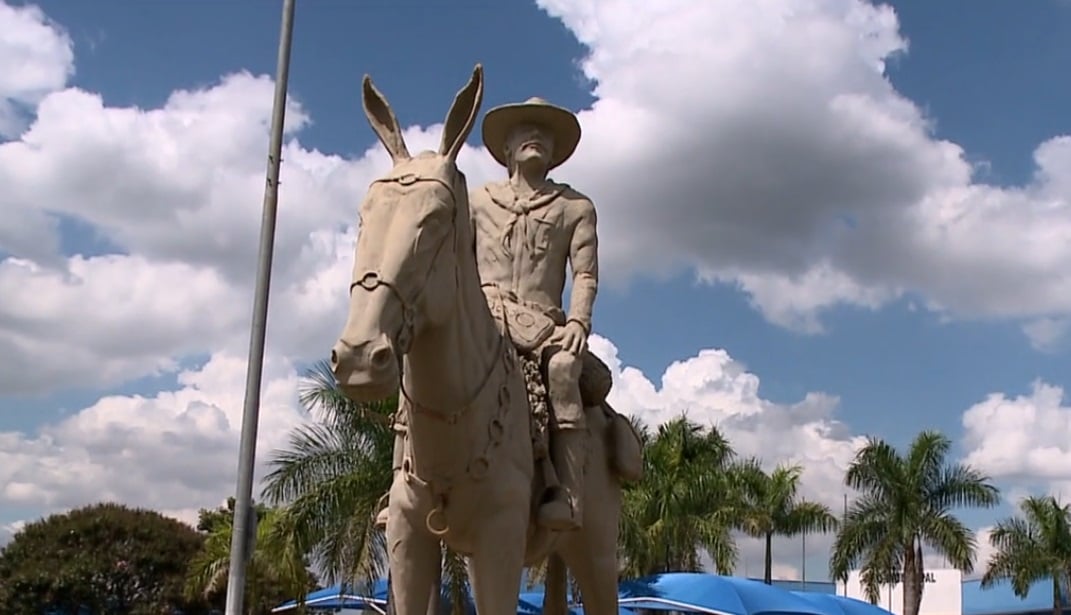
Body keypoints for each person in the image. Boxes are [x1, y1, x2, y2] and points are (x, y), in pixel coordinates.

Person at [469, 97, 598, 531]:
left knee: (563, 370)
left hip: (543, 325)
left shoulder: (575, 207)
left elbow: (585, 274)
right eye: (525, 129)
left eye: (545, 131)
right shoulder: (476, 202)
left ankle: (565, 492)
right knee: (425, 359)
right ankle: (401, 482)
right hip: (483, 316)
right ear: (505, 148)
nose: (535, 136)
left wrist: (578, 322)